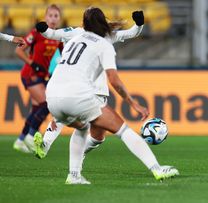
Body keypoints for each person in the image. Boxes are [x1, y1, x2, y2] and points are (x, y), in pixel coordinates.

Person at [42, 7, 179, 184]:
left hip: (52, 94)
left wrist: (43, 29)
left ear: (85, 23)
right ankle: (157, 169)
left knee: (82, 128)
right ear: (103, 21)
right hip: (80, 94)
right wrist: (133, 103)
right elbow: (113, 80)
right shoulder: (103, 43)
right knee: (123, 130)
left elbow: (53, 37)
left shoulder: (76, 37)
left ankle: (73, 174)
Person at [33, 10, 145, 159]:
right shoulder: (92, 34)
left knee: (90, 133)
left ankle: (51, 146)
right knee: (82, 127)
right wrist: (44, 30)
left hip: (81, 88)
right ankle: (57, 149)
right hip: (90, 89)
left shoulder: (88, 33)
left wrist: (138, 24)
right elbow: (53, 34)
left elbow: (131, 32)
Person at [13, 4, 63, 153]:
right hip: (30, 73)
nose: (53, 19)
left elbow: (66, 55)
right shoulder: (36, 32)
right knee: (46, 103)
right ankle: (30, 135)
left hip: (42, 75)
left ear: (59, 19)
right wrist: (32, 63)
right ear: (46, 17)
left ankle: (20, 140)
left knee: (36, 108)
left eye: (56, 16)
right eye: (51, 15)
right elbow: (19, 50)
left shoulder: (58, 36)